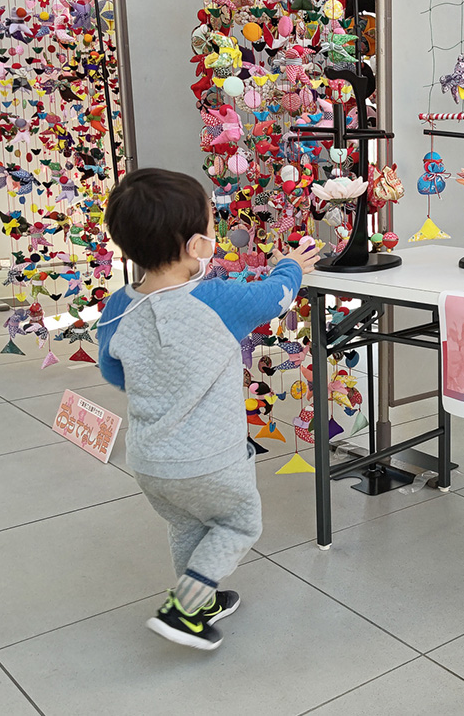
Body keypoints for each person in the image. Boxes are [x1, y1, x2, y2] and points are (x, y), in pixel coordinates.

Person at [96, 168, 319, 650]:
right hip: (212, 459)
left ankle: (202, 603)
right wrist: (291, 265)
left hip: (150, 461)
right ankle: (184, 608)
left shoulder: (117, 307)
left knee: (186, 524)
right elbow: (275, 297)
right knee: (239, 523)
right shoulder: (216, 299)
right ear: (198, 246)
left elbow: (113, 373)